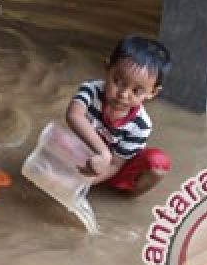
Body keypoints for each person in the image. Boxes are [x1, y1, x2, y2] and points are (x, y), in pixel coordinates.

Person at [66, 35, 173, 196]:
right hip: (85, 156)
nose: (123, 94)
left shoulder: (141, 125)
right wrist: (103, 153)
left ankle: (128, 195)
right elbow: (74, 115)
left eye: (136, 91)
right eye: (118, 81)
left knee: (158, 163)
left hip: (114, 170)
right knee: (55, 139)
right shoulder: (92, 90)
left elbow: (116, 165)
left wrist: (80, 183)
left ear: (153, 92)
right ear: (107, 67)